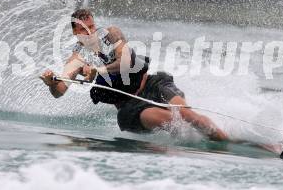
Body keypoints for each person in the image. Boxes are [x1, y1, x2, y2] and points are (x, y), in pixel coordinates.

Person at [40, 9, 229, 141]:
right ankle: (191, 148)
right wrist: (51, 83)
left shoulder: (111, 34)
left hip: (151, 85)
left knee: (187, 114)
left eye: (91, 26)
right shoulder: (77, 59)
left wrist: (99, 70)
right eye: (83, 29)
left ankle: (230, 142)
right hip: (131, 108)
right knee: (171, 122)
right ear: (75, 32)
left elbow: (126, 62)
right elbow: (59, 91)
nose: (89, 32)